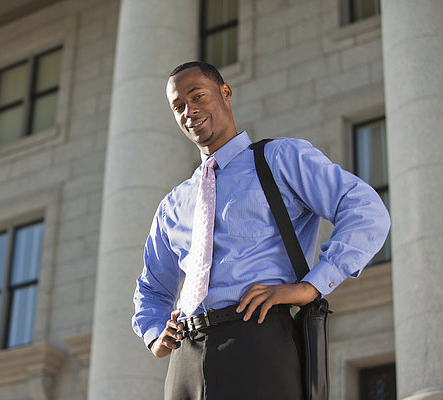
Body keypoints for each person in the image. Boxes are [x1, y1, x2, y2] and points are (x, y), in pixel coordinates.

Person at [132, 61, 391, 400]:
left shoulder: (280, 158)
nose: (189, 111)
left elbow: (365, 210)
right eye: (178, 106)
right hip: (185, 358)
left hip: (258, 337)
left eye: (198, 96)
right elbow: (151, 287)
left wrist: (310, 286)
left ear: (225, 93)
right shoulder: (173, 203)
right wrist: (154, 333)